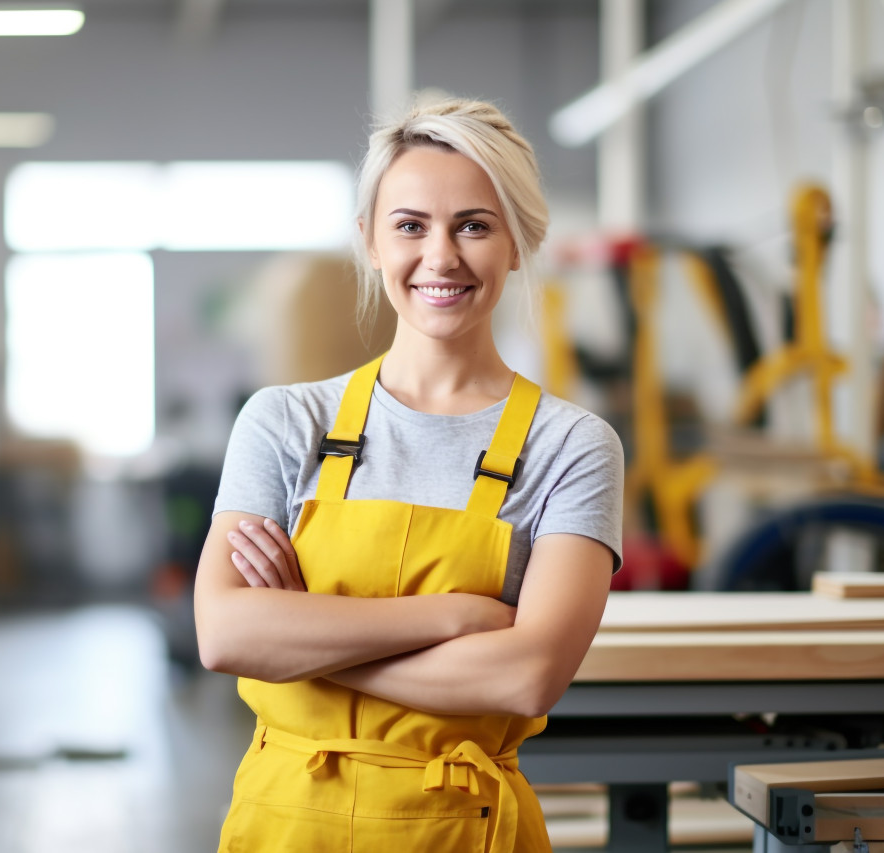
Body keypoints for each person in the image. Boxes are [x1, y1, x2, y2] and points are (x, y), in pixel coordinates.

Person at [194, 97, 623, 852]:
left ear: (520, 242)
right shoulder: (285, 422)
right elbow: (225, 632)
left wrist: (304, 645)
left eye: (475, 225)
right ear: (369, 241)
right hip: (286, 826)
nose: (442, 256)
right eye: (410, 225)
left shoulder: (573, 446)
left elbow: (526, 677)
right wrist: (451, 617)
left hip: (466, 830)